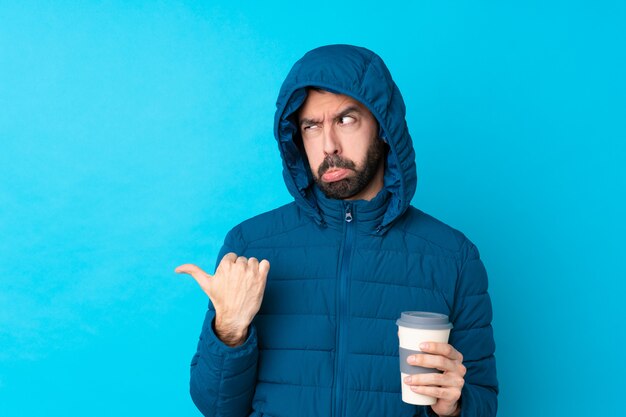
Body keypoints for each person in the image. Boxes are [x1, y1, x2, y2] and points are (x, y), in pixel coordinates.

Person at [175, 44, 498, 417]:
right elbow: (216, 406)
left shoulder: (453, 257)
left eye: (346, 120)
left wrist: (455, 405)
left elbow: (484, 401)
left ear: (383, 127)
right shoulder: (251, 245)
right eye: (312, 126)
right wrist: (229, 330)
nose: (328, 145)